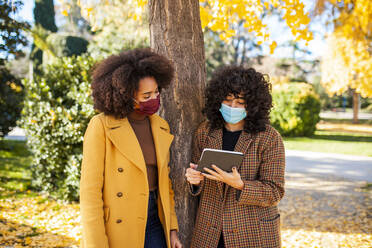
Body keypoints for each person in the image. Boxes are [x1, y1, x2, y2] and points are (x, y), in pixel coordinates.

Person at [80, 48, 182, 248]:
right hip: (118, 222)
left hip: (154, 220)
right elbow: (90, 192)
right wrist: (96, 243)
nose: (153, 99)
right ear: (126, 95)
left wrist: (171, 229)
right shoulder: (101, 125)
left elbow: (164, 184)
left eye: (156, 92)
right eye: (146, 96)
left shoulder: (161, 126)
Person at [185, 66, 285, 248]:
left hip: (252, 231)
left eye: (240, 102)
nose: (232, 107)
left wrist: (240, 185)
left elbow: (275, 191)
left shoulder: (269, 137)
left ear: (253, 104)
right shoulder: (204, 133)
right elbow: (197, 180)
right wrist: (195, 180)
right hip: (210, 232)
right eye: (228, 100)